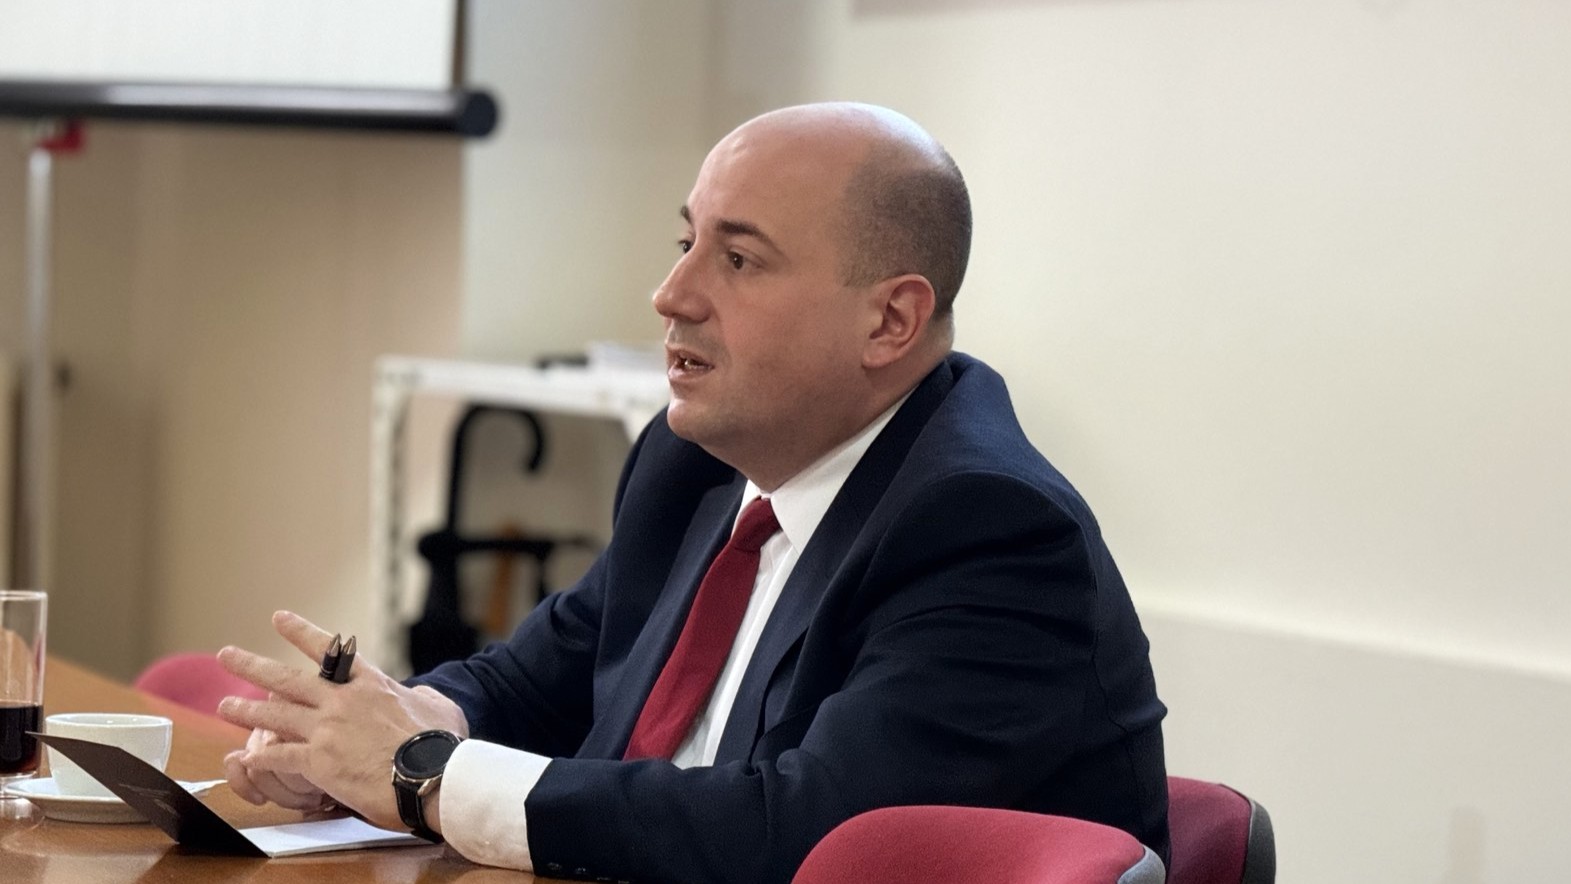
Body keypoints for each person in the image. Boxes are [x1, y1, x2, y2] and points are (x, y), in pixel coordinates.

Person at [218, 102, 1169, 883]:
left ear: (890, 320)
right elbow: (534, 682)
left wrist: (423, 775)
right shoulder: (694, 470)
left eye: (738, 260)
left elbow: (804, 832)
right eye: (686, 242)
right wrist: (370, 739)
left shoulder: (988, 529)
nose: (671, 294)